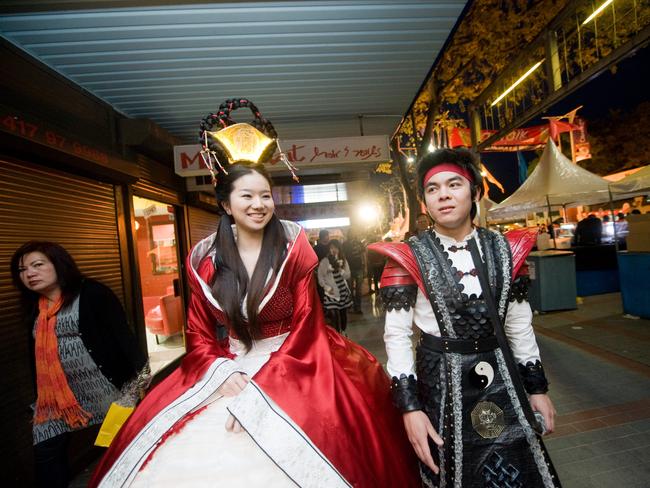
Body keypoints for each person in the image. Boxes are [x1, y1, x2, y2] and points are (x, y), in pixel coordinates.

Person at [90, 100, 420, 488]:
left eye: (265, 195)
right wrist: (223, 372)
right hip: (227, 368)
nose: (259, 204)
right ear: (226, 204)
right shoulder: (206, 261)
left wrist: (265, 385)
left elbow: (307, 325)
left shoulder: (292, 250)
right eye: (246, 196)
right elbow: (197, 333)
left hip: (295, 359)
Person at [369, 148, 561, 487]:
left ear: (474, 192)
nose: (443, 194)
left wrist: (537, 389)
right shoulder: (406, 257)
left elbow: (518, 326)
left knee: (520, 472)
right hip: (438, 385)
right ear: (425, 202)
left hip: (501, 379)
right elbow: (396, 337)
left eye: (454, 184)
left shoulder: (508, 249)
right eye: (433, 188)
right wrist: (409, 408)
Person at [10, 241, 149, 488]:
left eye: (37, 265)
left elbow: (126, 340)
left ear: (59, 264)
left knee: (123, 451)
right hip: (56, 400)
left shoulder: (93, 294)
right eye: (22, 270)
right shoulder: (36, 307)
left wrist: (139, 385)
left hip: (107, 391)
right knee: (45, 452)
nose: (29, 273)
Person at [318, 239, 353, 332]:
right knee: (334, 315)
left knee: (343, 315)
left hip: (342, 292)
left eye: (335, 248)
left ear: (339, 249)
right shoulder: (325, 261)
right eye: (331, 248)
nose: (333, 250)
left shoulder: (343, 260)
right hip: (331, 293)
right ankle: (338, 335)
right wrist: (327, 288)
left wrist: (341, 270)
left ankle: (343, 331)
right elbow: (320, 277)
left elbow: (348, 275)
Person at [342, 228, 366, 313]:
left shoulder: (359, 243)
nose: (353, 234)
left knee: (358, 289)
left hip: (359, 268)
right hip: (349, 269)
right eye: (352, 232)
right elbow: (343, 257)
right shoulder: (345, 244)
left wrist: (365, 267)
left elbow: (363, 255)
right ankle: (353, 305)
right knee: (350, 289)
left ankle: (358, 307)